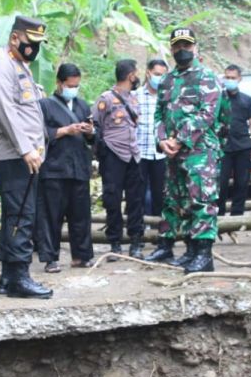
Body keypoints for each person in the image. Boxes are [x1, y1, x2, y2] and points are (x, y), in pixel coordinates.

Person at [0, 15, 52, 299]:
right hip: (13, 155)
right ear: (14, 38)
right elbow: (6, 110)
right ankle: (19, 277)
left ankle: (8, 277)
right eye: (30, 42)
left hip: (23, 155)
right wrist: (25, 148)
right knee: (21, 216)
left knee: (16, 214)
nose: (33, 49)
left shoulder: (18, 65)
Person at [145, 27, 222, 273]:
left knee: (202, 200)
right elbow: (159, 114)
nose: (182, 50)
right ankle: (189, 251)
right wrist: (162, 140)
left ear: (195, 47)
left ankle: (204, 255)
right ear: (171, 49)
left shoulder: (206, 77)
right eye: (177, 46)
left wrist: (179, 138)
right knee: (178, 201)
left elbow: (208, 114)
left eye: (186, 46)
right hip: (173, 154)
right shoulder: (168, 80)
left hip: (200, 153)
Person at [34, 63, 95, 273]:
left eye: (77, 85)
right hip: (54, 169)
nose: (73, 89)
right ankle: (50, 258)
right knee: (52, 216)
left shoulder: (82, 106)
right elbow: (39, 134)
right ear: (59, 83)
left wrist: (89, 131)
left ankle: (82, 256)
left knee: (81, 215)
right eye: (70, 85)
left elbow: (93, 138)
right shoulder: (45, 105)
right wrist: (64, 130)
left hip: (79, 167)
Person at [92, 59, 145, 261]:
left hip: (133, 154)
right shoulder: (105, 98)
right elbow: (94, 125)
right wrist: (100, 152)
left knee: (136, 200)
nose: (138, 76)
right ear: (131, 75)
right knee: (112, 199)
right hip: (113, 155)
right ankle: (115, 242)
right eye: (137, 73)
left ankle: (136, 241)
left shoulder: (133, 99)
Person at [217, 64, 251, 216]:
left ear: (239, 79)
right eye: (227, 78)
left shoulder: (247, 100)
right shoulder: (217, 100)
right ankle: (219, 215)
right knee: (220, 184)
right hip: (222, 148)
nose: (230, 81)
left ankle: (237, 216)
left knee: (241, 183)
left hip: (243, 146)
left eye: (233, 78)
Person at [135, 59, 169, 217]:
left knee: (160, 195)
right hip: (140, 153)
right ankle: (139, 233)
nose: (159, 78)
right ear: (148, 73)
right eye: (156, 74)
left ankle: (158, 232)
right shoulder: (135, 96)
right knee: (138, 195)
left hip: (161, 154)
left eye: (163, 75)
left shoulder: (168, 98)